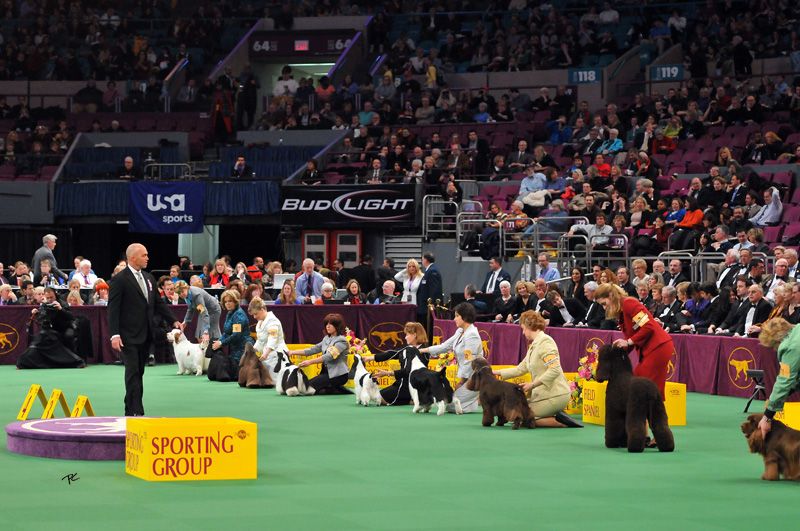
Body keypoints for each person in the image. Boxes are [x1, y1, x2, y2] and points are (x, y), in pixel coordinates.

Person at [108, 243, 181, 416]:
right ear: (133, 257)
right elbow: (113, 309)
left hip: (146, 334)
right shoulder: (119, 280)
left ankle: (129, 407)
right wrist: (114, 335)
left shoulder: (149, 278)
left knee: (138, 373)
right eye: (144, 255)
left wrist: (174, 321)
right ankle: (136, 411)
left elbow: (158, 304)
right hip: (127, 336)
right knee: (132, 372)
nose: (147, 258)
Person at [493, 311, 582, 427]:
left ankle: (562, 422)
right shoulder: (534, 345)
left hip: (556, 395)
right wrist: (496, 372)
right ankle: (555, 415)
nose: (523, 333)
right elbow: (520, 369)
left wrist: (533, 384)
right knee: (514, 414)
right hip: (544, 395)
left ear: (530, 326)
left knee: (520, 416)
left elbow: (555, 370)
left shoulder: (546, 342)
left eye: (523, 329)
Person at [594, 283, 674, 400]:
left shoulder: (629, 304)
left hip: (658, 347)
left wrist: (629, 342)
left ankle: (647, 415)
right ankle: (654, 415)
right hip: (650, 349)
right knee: (647, 386)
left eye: (604, 304)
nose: (604, 308)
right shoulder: (621, 311)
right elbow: (633, 337)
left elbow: (648, 326)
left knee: (642, 385)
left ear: (611, 296)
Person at [419, 302, 482, 413]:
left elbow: (469, 361)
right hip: (468, 377)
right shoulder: (460, 331)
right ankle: (470, 402)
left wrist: (461, 381)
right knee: (449, 402)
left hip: (475, 378)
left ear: (465, 317)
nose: (454, 319)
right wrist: (422, 350)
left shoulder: (472, 335)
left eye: (457, 316)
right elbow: (445, 346)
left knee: (449, 406)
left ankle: (474, 396)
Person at [363, 322, 431, 405]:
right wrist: (371, 358)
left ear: (414, 335)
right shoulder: (407, 348)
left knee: (377, 398)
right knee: (376, 396)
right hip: (400, 384)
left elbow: (408, 371)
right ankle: (410, 400)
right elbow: (392, 353)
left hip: (410, 386)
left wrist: (388, 373)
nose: (405, 338)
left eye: (407, 335)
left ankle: (411, 398)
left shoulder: (423, 352)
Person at [758, 318, 800, 438]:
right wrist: (788, 392)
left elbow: (784, 381)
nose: (774, 349)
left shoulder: (792, 347)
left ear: (778, 340)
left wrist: (767, 416)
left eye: (773, 346)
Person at [288, 313, 350, 394]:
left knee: (308, 388)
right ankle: (335, 389)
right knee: (308, 385)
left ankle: (335, 388)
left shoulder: (342, 340)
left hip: (338, 375)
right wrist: (292, 352)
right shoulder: (326, 338)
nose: (328, 326)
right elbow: (312, 349)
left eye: (331, 324)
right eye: (326, 324)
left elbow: (329, 356)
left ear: (337, 326)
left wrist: (309, 362)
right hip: (326, 373)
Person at [249, 296, 286, 384]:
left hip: (276, 356)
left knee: (275, 382)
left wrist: (265, 353)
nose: (254, 317)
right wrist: (253, 350)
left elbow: (272, 339)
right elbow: (260, 340)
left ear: (262, 309)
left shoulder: (273, 321)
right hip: (266, 357)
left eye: (256, 314)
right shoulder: (260, 322)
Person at [209, 289, 251, 365]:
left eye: (230, 301)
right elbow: (226, 333)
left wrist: (221, 343)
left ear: (236, 301)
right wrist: (219, 341)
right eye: (225, 302)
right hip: (233, 349)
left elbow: (236, 335)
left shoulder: (238, 315)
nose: (227, 304)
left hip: (243, 349)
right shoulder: (230, 313)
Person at [416, 252, 443, 323]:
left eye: (422, 259)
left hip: (428, 306)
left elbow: (434, 289)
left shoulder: (432, 271)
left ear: (426, 260)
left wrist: (432, 303)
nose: (422, 261)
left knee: (428, 327)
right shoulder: (429, 270)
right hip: (424, 306)